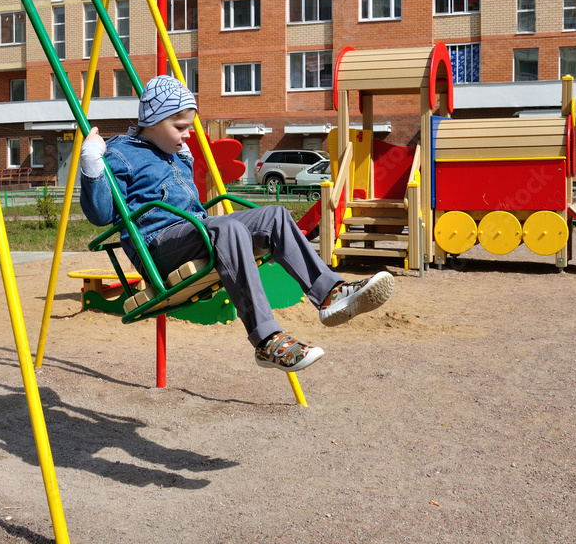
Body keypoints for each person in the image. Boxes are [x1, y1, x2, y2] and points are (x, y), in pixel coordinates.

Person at [80, 75, 394, 373]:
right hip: (157, 248)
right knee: (224, 228)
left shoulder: (174, 153)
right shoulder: (121, 155)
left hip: (193, 234)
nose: (188, 134)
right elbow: (102, 214)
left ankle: (329, 293)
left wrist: (184, 160)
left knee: (274, 215)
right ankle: (266, 339)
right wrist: (93, 165)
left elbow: (187, 205)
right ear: (153, 121)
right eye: (180, 127)